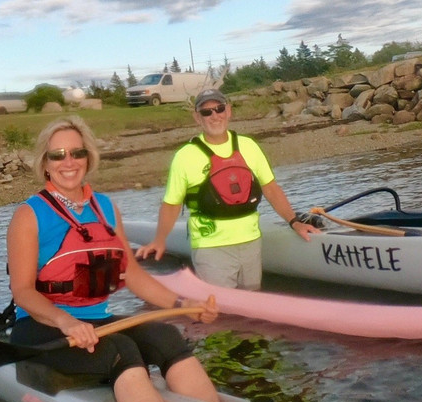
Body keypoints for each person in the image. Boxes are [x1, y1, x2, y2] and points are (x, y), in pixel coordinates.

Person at [6, 115, 224, 402]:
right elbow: (22, 291)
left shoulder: (105, 207)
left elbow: (132, 274)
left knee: (167, 336)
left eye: (77, 153)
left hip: (97, 324)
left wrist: (183, 303)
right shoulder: (29, 215)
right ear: (45, 164)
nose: (69, 162)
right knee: (120, 349)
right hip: (42, 329)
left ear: (88, 157)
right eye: (58, 155)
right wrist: (66, 322)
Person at [135, 89, 320, 289]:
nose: (215, 116)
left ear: (228, 111)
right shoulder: (185, 156)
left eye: (219, 109)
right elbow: (171, 204)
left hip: (251, 243)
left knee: (251, 306)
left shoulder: (248, 146)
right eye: (206, 112)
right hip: (211, 247)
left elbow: (271, 188)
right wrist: (160, 240)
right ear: (197, 118)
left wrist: (294, 222)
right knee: (222, 310)